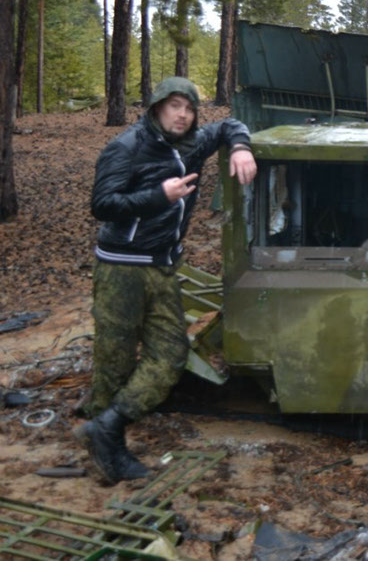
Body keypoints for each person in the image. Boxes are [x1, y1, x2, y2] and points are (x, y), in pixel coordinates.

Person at [78, 77, 257, 484]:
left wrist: (241, 146)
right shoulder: (126, 147)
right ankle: (108, 447)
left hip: (162, 266)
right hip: (122, 268)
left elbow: (228, 125)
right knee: (115, 359)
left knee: (171, 354)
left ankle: (105, 427)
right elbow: (102, 205)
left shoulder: (192, 144)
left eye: (189, 108)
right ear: (157, 106)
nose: (182, 115)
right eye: (175, 105)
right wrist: (158, 196)